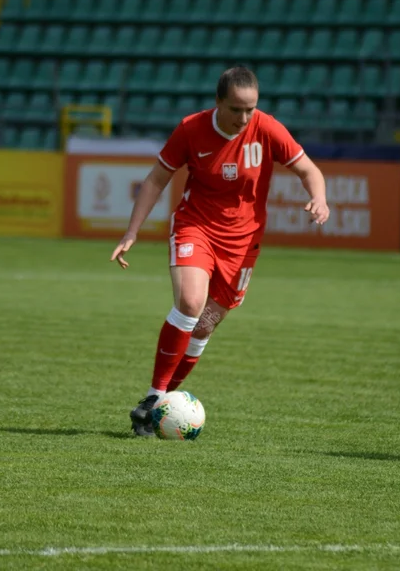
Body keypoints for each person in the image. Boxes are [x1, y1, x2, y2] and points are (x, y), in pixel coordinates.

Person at [111, 66, 330, 437]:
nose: (244, 118)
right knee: (191, 303)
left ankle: (159, 409)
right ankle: (153, 398)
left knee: (204, 327)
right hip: (195, 226)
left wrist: (319, 197)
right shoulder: (191, 129)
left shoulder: (268, 129)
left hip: (243, 244)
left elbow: (310, 170)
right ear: (218, 102)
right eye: (235, 109)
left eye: (250, 109)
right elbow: (155, 180)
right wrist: (132, 231)